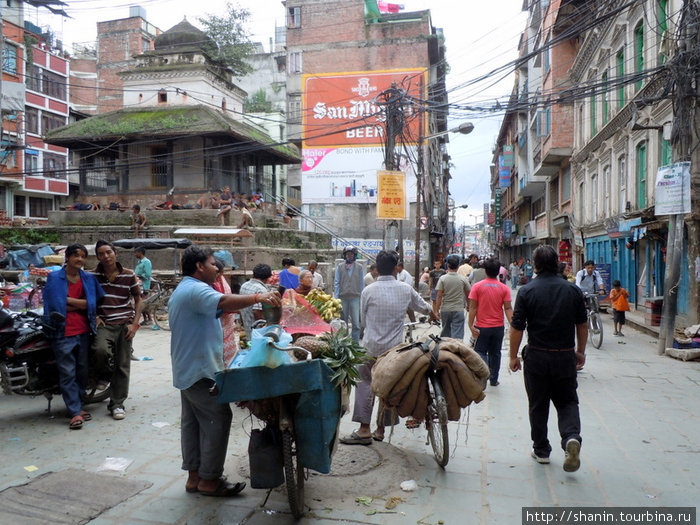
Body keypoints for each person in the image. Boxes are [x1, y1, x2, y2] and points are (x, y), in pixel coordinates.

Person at [169, 245, 281, 496]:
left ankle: (194, 476)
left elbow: (221, 308)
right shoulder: (196, 289)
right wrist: (258, 298)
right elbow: (223, 301)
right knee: (218, 418)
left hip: (186, 367)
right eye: (212, 264)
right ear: (199, 266)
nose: (216, 268)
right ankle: (209, 480)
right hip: (200, 370)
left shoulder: (186, 288)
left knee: (193, 424)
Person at [340, 250, 436, 445]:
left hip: (370, 347)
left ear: (377, 269)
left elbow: (362, 320)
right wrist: (433, 315)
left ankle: (364, 429)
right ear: (395, 268)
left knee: (365, 382)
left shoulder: (368, 291)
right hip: (394, 351)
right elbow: (423, 307)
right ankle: (381, 430)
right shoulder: (404, 289)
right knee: (389, 386)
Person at [509, 244, 587, 472]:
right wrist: (580, 351)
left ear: (535, 265)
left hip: (537, 357)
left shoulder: (527, 291)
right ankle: (571, 437)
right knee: (567, 401)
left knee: (538, 404)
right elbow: (582, 325)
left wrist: (513, 356)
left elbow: (517, 328)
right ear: (556, 264)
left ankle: (542, 450)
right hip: (565, 356)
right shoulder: (572, 291)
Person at [42, 244, 105, 430]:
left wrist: (68, 301)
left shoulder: (87, 278)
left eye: (83, 257)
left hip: (84, 330)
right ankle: (75, 411)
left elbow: (92, 303)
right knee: (67, 372)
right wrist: (81, 304)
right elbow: (55, 305)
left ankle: (77, 405)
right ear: (67, 258)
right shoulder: (55, 278)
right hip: (62, 332)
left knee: (82, 371)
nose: (80, 260)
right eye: (76, 256)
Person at [91, 240, 143, 421]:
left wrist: (135, 323)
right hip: (104, 324)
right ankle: (104, 377)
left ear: (115, 253)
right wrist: (95, 316)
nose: (106, 256)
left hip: (124, 325)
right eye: (101, 254)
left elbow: (138, 299)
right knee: (99, 351)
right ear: (97, 257)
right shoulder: (93, 276)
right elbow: (88, 298)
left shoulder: (128, 275)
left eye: (108, 252)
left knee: (122, 365)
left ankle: (117, 404)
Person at [468, 258, 513, 387]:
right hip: (498, 327)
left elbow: (473, 307)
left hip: (482, 327)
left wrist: (470, 325)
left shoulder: (477, 287)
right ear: (498, 271)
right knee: (496, 353)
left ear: (485, 271)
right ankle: (494, 379)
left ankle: (484, 375)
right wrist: (513, 325)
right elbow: (508, 308)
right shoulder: (504, 288)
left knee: (481, 352)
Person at [433, 254, 471, 340]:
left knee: (445, 334)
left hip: (445, 310)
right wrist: (469, 306)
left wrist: (436, 310)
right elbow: (468, 294)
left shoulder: (443, 279)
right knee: (457, 336)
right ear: (458, 266)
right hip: (458, 309)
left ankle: (446, 350)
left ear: (447, 265)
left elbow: (439, 296)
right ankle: (457, 351)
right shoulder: (463, 279)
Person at [334, 246, 364, 342]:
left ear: (354, 256)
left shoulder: (359, 267)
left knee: (356, 322)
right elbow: (337, 282)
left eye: (351, 254)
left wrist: (362, 296)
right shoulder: (340, 267)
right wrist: (336, 297)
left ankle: (355, 343)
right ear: (344, 256)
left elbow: (361, 283)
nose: (349, 256)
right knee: (343, 321)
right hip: (343, 297)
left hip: (355, 297)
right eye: (347, 254)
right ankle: (345, 341)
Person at [212, 259, 238, 367]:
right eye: (219, 273)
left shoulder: (221, 280)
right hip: (216, 324)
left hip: (227, 325)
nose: (221, 275)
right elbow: (214, 308)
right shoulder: (208, 286)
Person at [239, 263, 273, 341]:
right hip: (257, 331)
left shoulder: (244, 285)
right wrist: (264, 327)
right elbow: (257, 311)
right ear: (268, 277)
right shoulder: (261, 290)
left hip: (247, 325)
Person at [134, 246, 152, 326]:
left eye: (136, 252)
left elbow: (148, 274)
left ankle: (150, 319)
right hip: (139, 285)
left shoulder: (146, 262)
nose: (135, 254)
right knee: (142, 303)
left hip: (144, 286)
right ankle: (145, 319)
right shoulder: (139, 262)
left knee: (143, 303)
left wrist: (139, 276)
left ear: (140, 253)